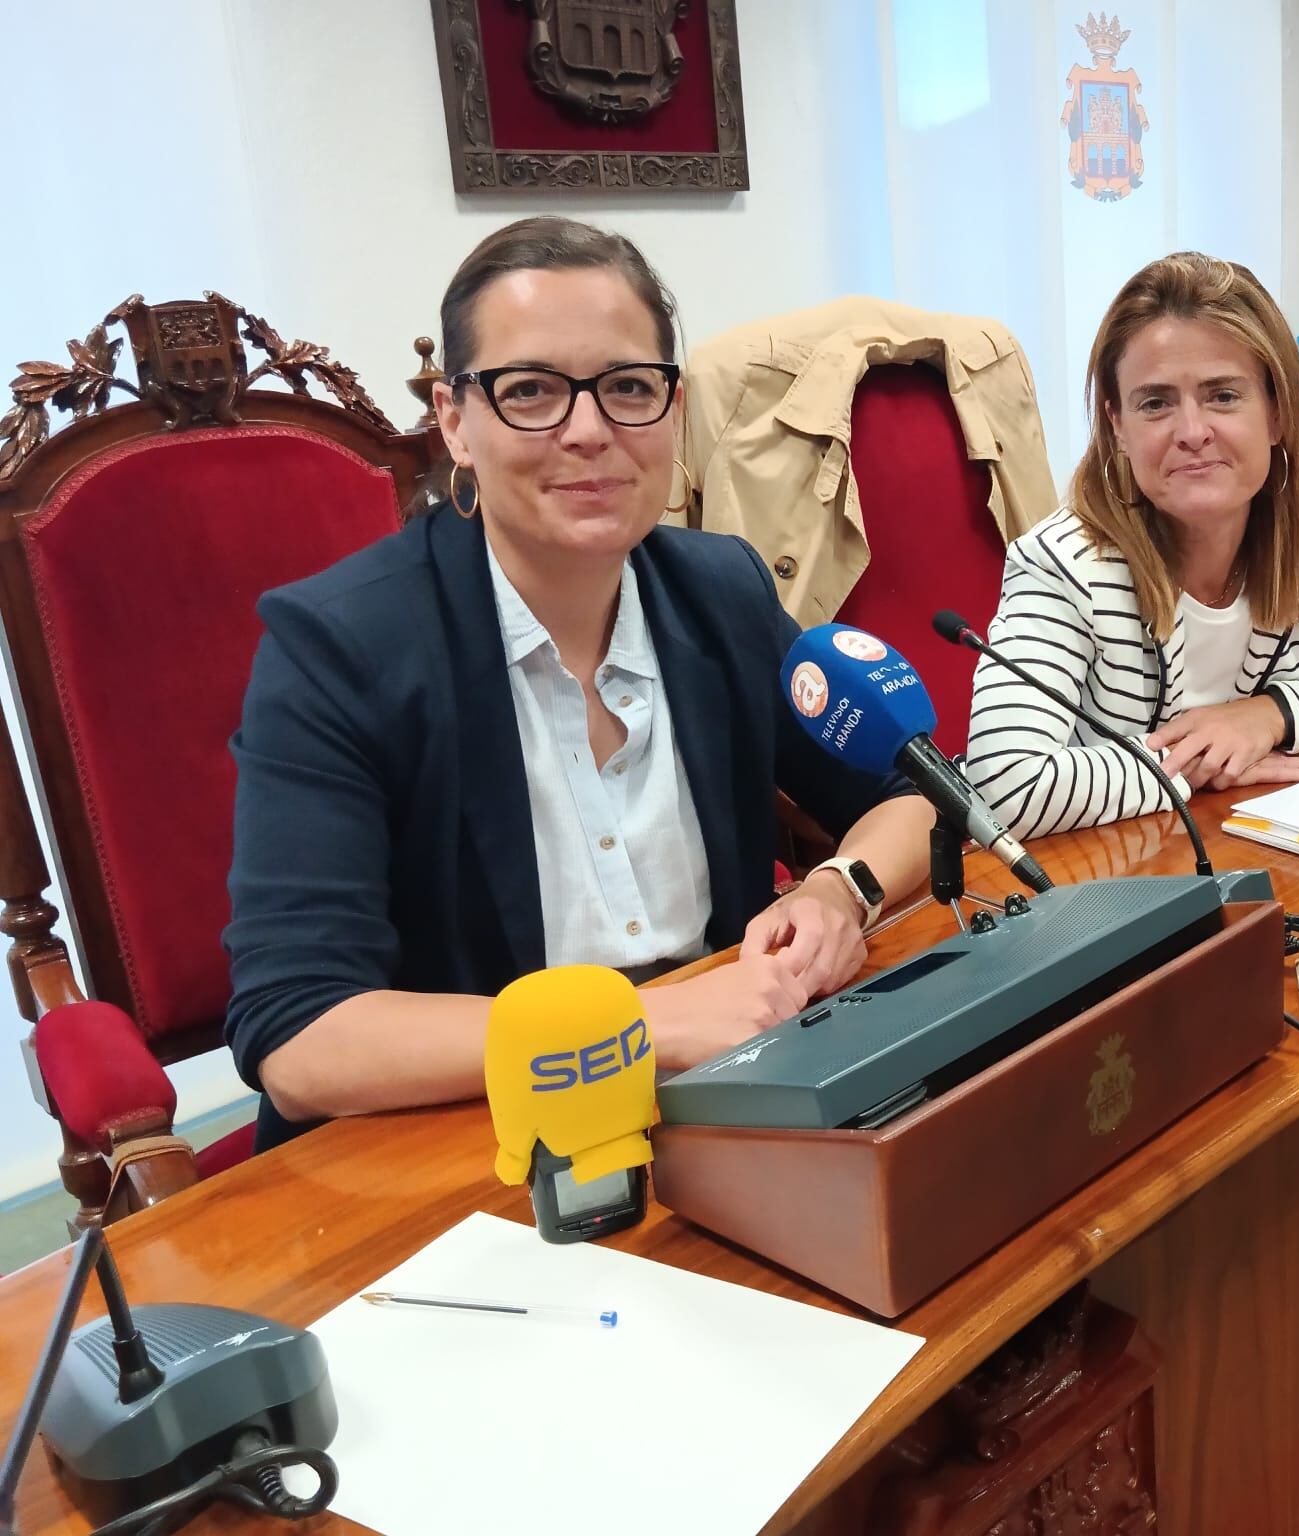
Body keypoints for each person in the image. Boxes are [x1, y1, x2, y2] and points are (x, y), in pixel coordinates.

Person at [224, 217, 933, 1148]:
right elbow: (299, 1037)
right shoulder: (339, 646)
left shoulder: (719, 591)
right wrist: (640, 1030)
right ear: (454, 423)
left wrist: (835, 891)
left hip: (720, 1097)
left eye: (630, 387)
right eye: (530, 392)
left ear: (673, 412)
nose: (589, 431)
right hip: (468, 1139)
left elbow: (917, 794)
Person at [964, 251, 1299, 839]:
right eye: (1156, 403)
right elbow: (1005, 788)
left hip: (1273, 853)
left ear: (1276, 414)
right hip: (1120, 883)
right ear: (1117, 424)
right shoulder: (1061, 564)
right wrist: (1199, 762)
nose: (1192, 432)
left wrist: (1267, 716)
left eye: (1223, 395)